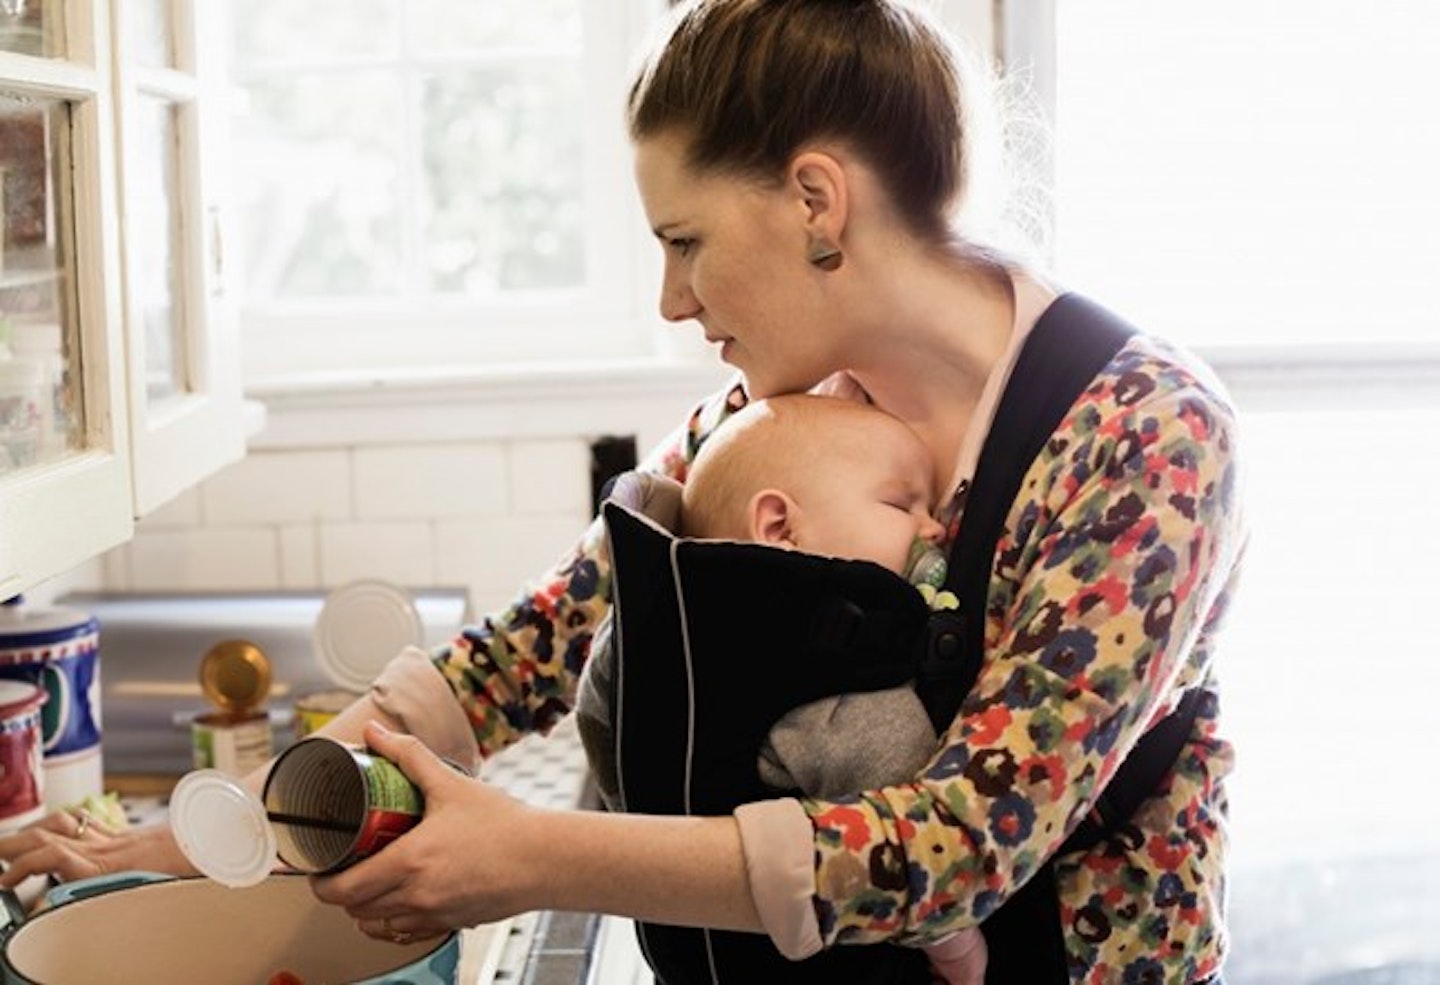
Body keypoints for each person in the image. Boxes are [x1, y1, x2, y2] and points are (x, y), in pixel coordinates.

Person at [0, 0, 1245, 981]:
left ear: (817, 201)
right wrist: (227, 831)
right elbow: (526, 656)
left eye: (684, 241)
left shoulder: (1143, 438)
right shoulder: (769, 417)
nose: (672, 300)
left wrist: (527, 856)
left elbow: (965, 843)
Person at [576, 393, 988, 983]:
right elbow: (918, 832)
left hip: (680, 951)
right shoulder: (834, 659)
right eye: (902, 503)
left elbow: (596, 725)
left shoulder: (651, 622)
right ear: (780, 525)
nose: (934, 529)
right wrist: (958, 945)